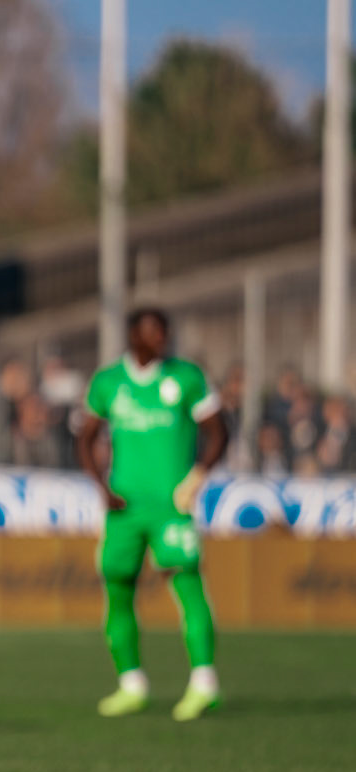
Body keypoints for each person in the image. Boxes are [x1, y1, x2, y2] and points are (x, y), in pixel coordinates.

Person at [78, 306, 227, 723]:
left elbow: (220, 430)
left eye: (165, 331)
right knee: (118, 587)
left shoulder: (186, 378)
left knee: (187, 582)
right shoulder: (109, 382)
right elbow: (85, 437)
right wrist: (102, 487)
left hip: (170, 507)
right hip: (125, 508)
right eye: (153, 332)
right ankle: (131, 684)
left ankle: (204, 682)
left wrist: (196, 477)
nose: (162, 339)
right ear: (133, 337)